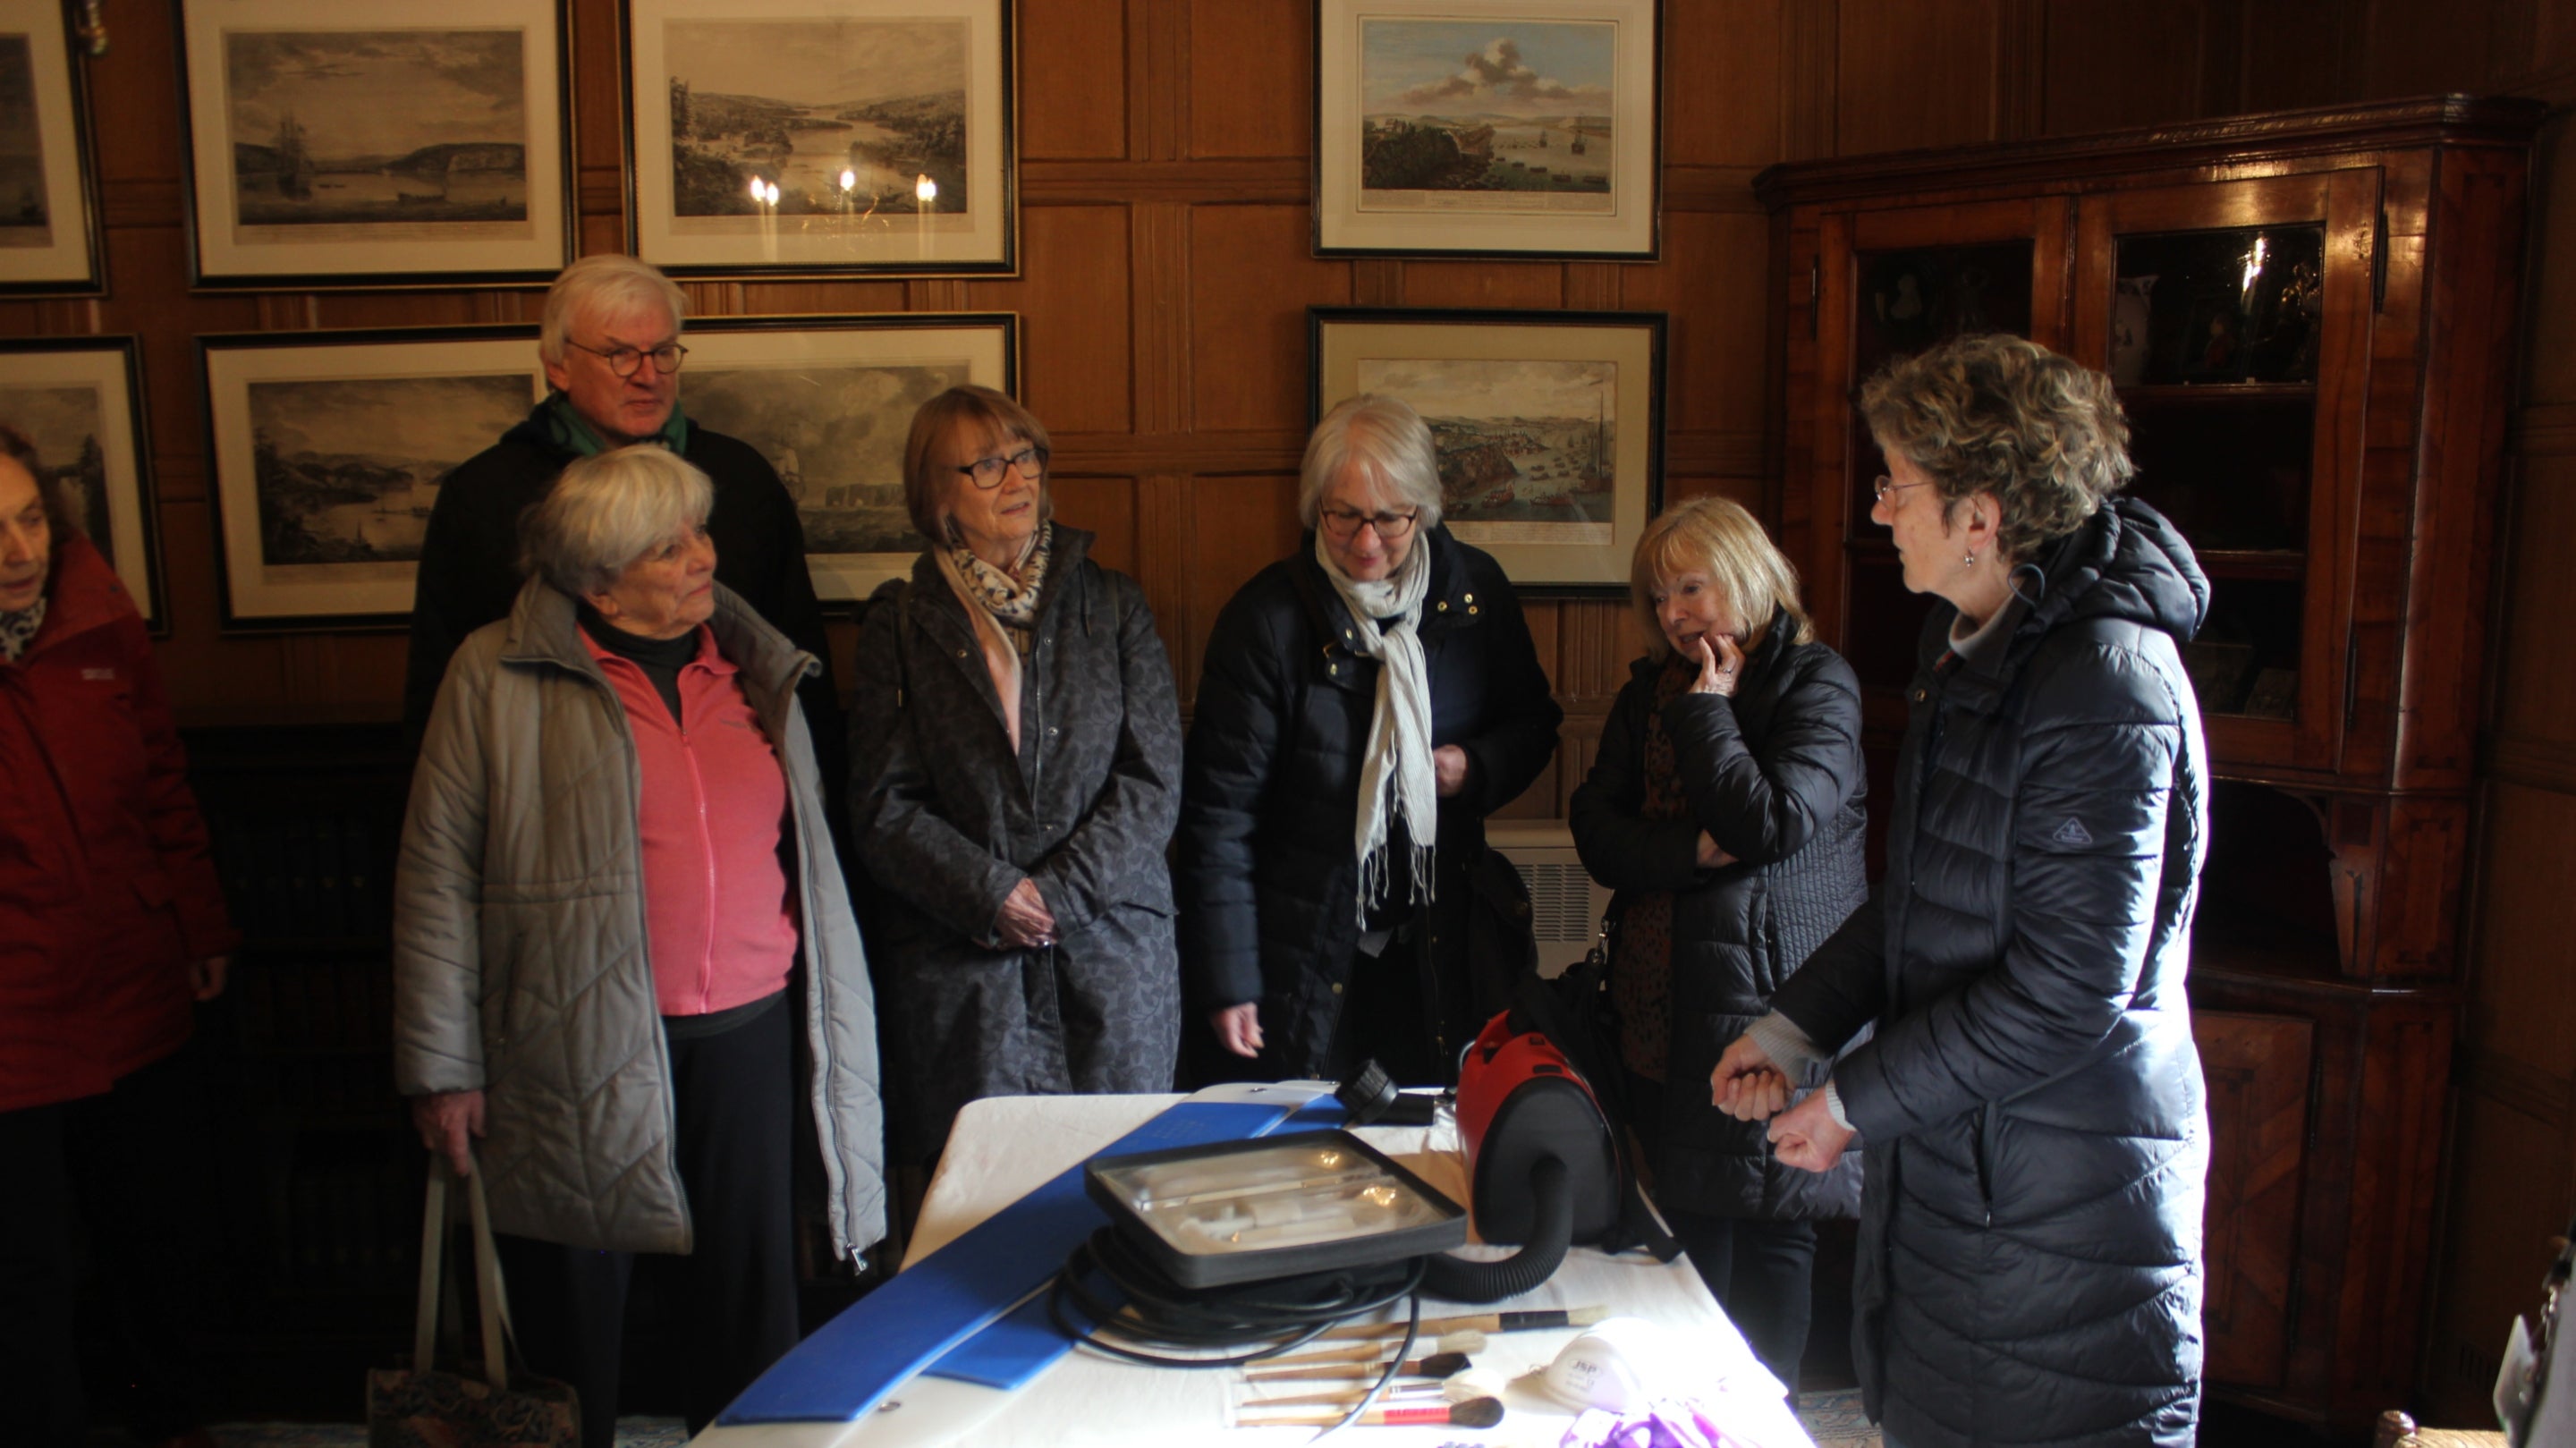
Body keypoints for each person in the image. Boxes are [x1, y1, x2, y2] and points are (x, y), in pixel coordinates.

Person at [1713, 334, 2211, 1448]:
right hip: (1970, 1176)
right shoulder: (1978, 642)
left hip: (2058, 1208)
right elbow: (1920, 901)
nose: (1881, 508)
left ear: (1981, 515)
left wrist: (1850, 1103)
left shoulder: (2102, 678)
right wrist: (1796, 1029)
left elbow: (2073, 984)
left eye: (1896, 481)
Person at [394, 445, 884, 1448]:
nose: (702, 555)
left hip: (750, 1031)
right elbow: (436, 874)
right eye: (668, 546)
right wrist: (443, 1068)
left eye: (699, 530)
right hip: (577, 1039)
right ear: (598, 579)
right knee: (576, 1330)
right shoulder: (494, 672)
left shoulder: (751, 659)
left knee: (750, 1311)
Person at [1566, 495, 1867, 1395]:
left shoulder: (1817, 682)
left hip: (1773, 1003)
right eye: (1659, 597)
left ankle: (1757, 1416)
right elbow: (1595, 829)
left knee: (1772, 1225)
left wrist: (1708, 711)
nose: (1673, 614)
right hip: (1660, 1005)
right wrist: (1693, 850)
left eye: (1690, 588)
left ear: (1747, 574)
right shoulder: (1646, 689)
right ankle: (1693, 1409)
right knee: (1687, 1230)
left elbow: (1770, 820)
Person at [1179, 394, 1562, 1087]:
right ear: (1314, 507)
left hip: (1444, 936)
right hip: (1302, 945)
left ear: (1424, 508)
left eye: (1389, 518)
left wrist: (1470, 768)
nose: (1365, 543)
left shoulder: (1476, 593)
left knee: (1431, 1151)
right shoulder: (1266, 620)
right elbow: (1218, 819)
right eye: (1343, 516)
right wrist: (1227, 976)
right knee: (1307, 1155)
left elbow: (1533, 724)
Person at [848, 385, 1182, 1161]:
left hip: (1112, 952)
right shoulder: (897, 624)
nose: (1018, 480)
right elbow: (883, 806)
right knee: (987, 1198)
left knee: (1124, 1186)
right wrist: (991, 894)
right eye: (989, 464)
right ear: (937, 494)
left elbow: (1153, 778)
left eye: (1026, 456)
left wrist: (1057, 895)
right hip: (968, 970)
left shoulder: (1112, 605)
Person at [0, 424, 237, 1448]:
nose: (18, 549)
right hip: (13, 1005)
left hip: (131, 976)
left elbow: (161, 779)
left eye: (28, 518)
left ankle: (175, 1420)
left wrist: (198, 919)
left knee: (156, 1225)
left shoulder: (97, 607)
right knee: (26, 1258)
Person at [402, 253, 839, 775]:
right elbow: (441, 686)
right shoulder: (485, 494)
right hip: (552, 788)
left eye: (661, 352)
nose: (648, 376)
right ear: (558, 365)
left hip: (726, 787)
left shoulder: (740, 479)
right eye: (620, 355)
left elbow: (795, 655)